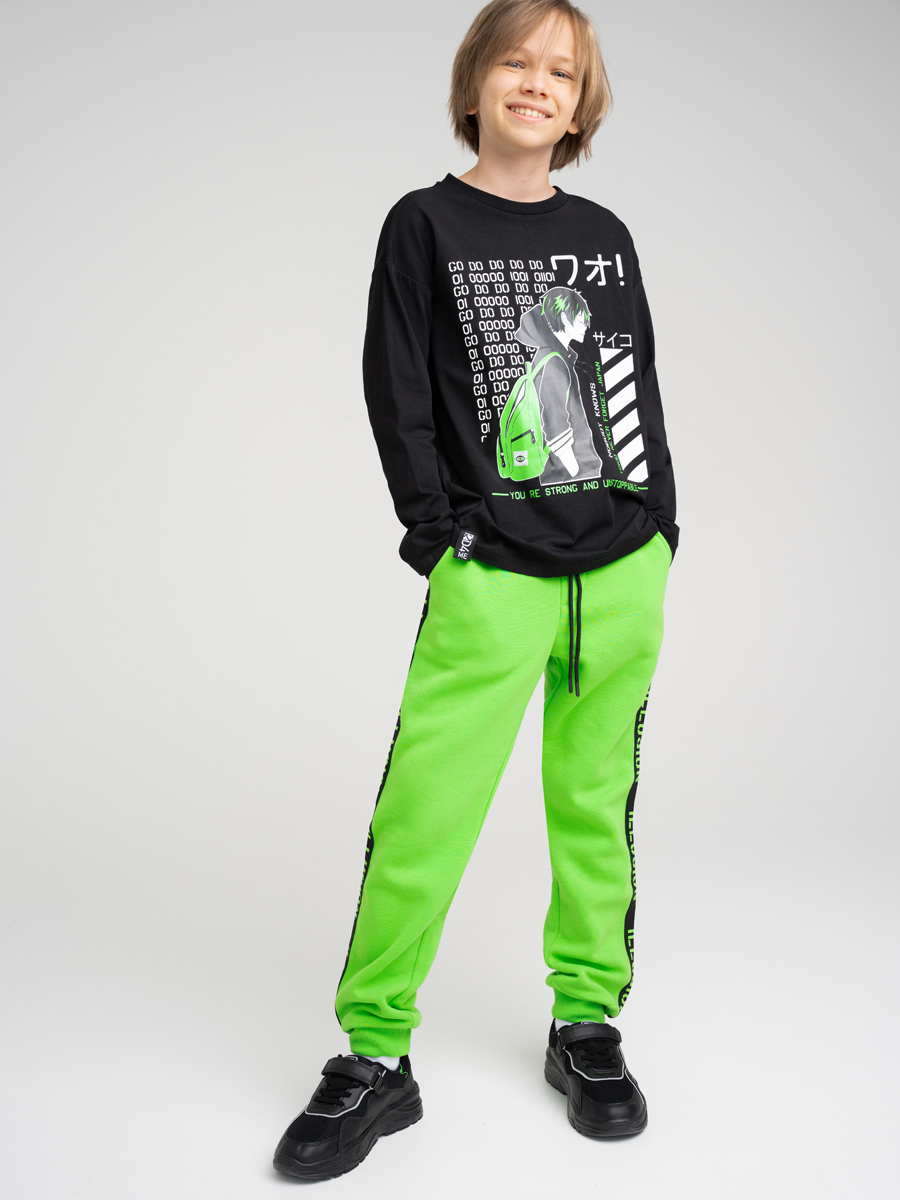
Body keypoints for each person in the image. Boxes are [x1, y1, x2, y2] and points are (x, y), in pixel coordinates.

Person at [273, 0, 677, 1180]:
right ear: (475, 82)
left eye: (563, 72)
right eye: (517, 60)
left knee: (595, 803)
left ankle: (586, 1024)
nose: (538, 83)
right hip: (491, 568)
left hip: (618, 569)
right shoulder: (426, 225)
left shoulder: (604, 234)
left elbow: (635, 378)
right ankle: (375, 1054)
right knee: (426, 811)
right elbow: (396, 388)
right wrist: (436, 535)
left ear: (581, 105)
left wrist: (659, 525)